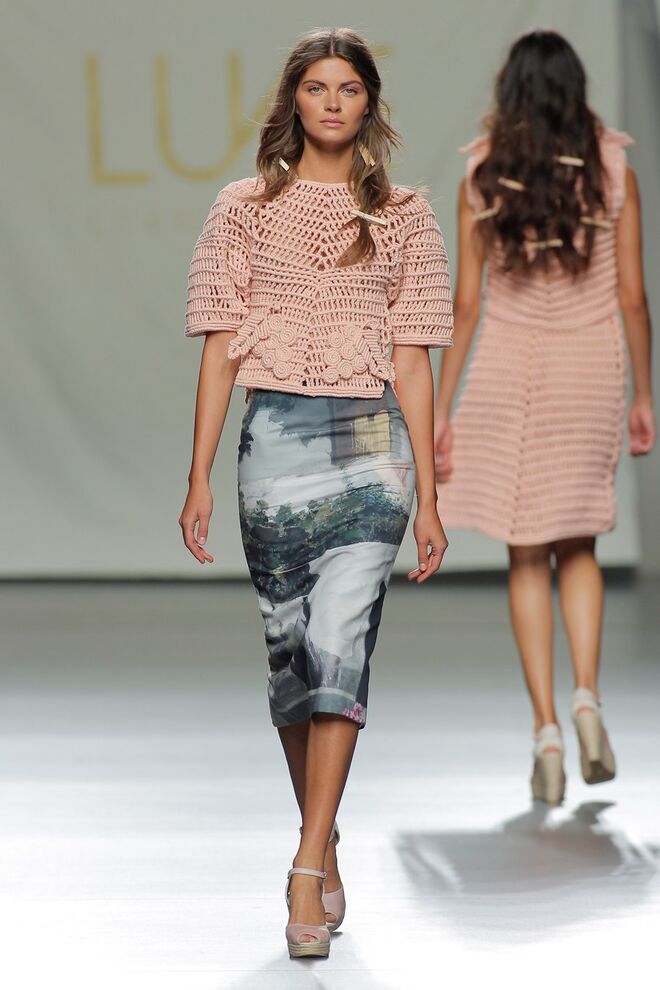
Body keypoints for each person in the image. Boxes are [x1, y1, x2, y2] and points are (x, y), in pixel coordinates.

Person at [180, 28, 453, 957]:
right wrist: (198, 475)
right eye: (316, 88)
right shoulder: (243, 209)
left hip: (373, 442)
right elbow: (221, 350)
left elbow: (412, 362)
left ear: (369, 103)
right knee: (291, 656)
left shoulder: (406, 216)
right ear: (293, 100)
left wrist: (430, 495)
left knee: (342, 645)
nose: (332, 103)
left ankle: (304, 865)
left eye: (349, 89)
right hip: (276, 442)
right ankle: (324, 836)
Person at [434, 30, 655, 805]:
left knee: (526, 552)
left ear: (511, 93)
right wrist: (645, 394)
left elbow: (466, 306)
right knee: (580, 541)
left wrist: (441, 409)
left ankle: (547, 735)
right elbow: (632, 296)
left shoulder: (483, 175)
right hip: (589, 365)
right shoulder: (612, 171)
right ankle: (588, 700)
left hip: (509, 366)